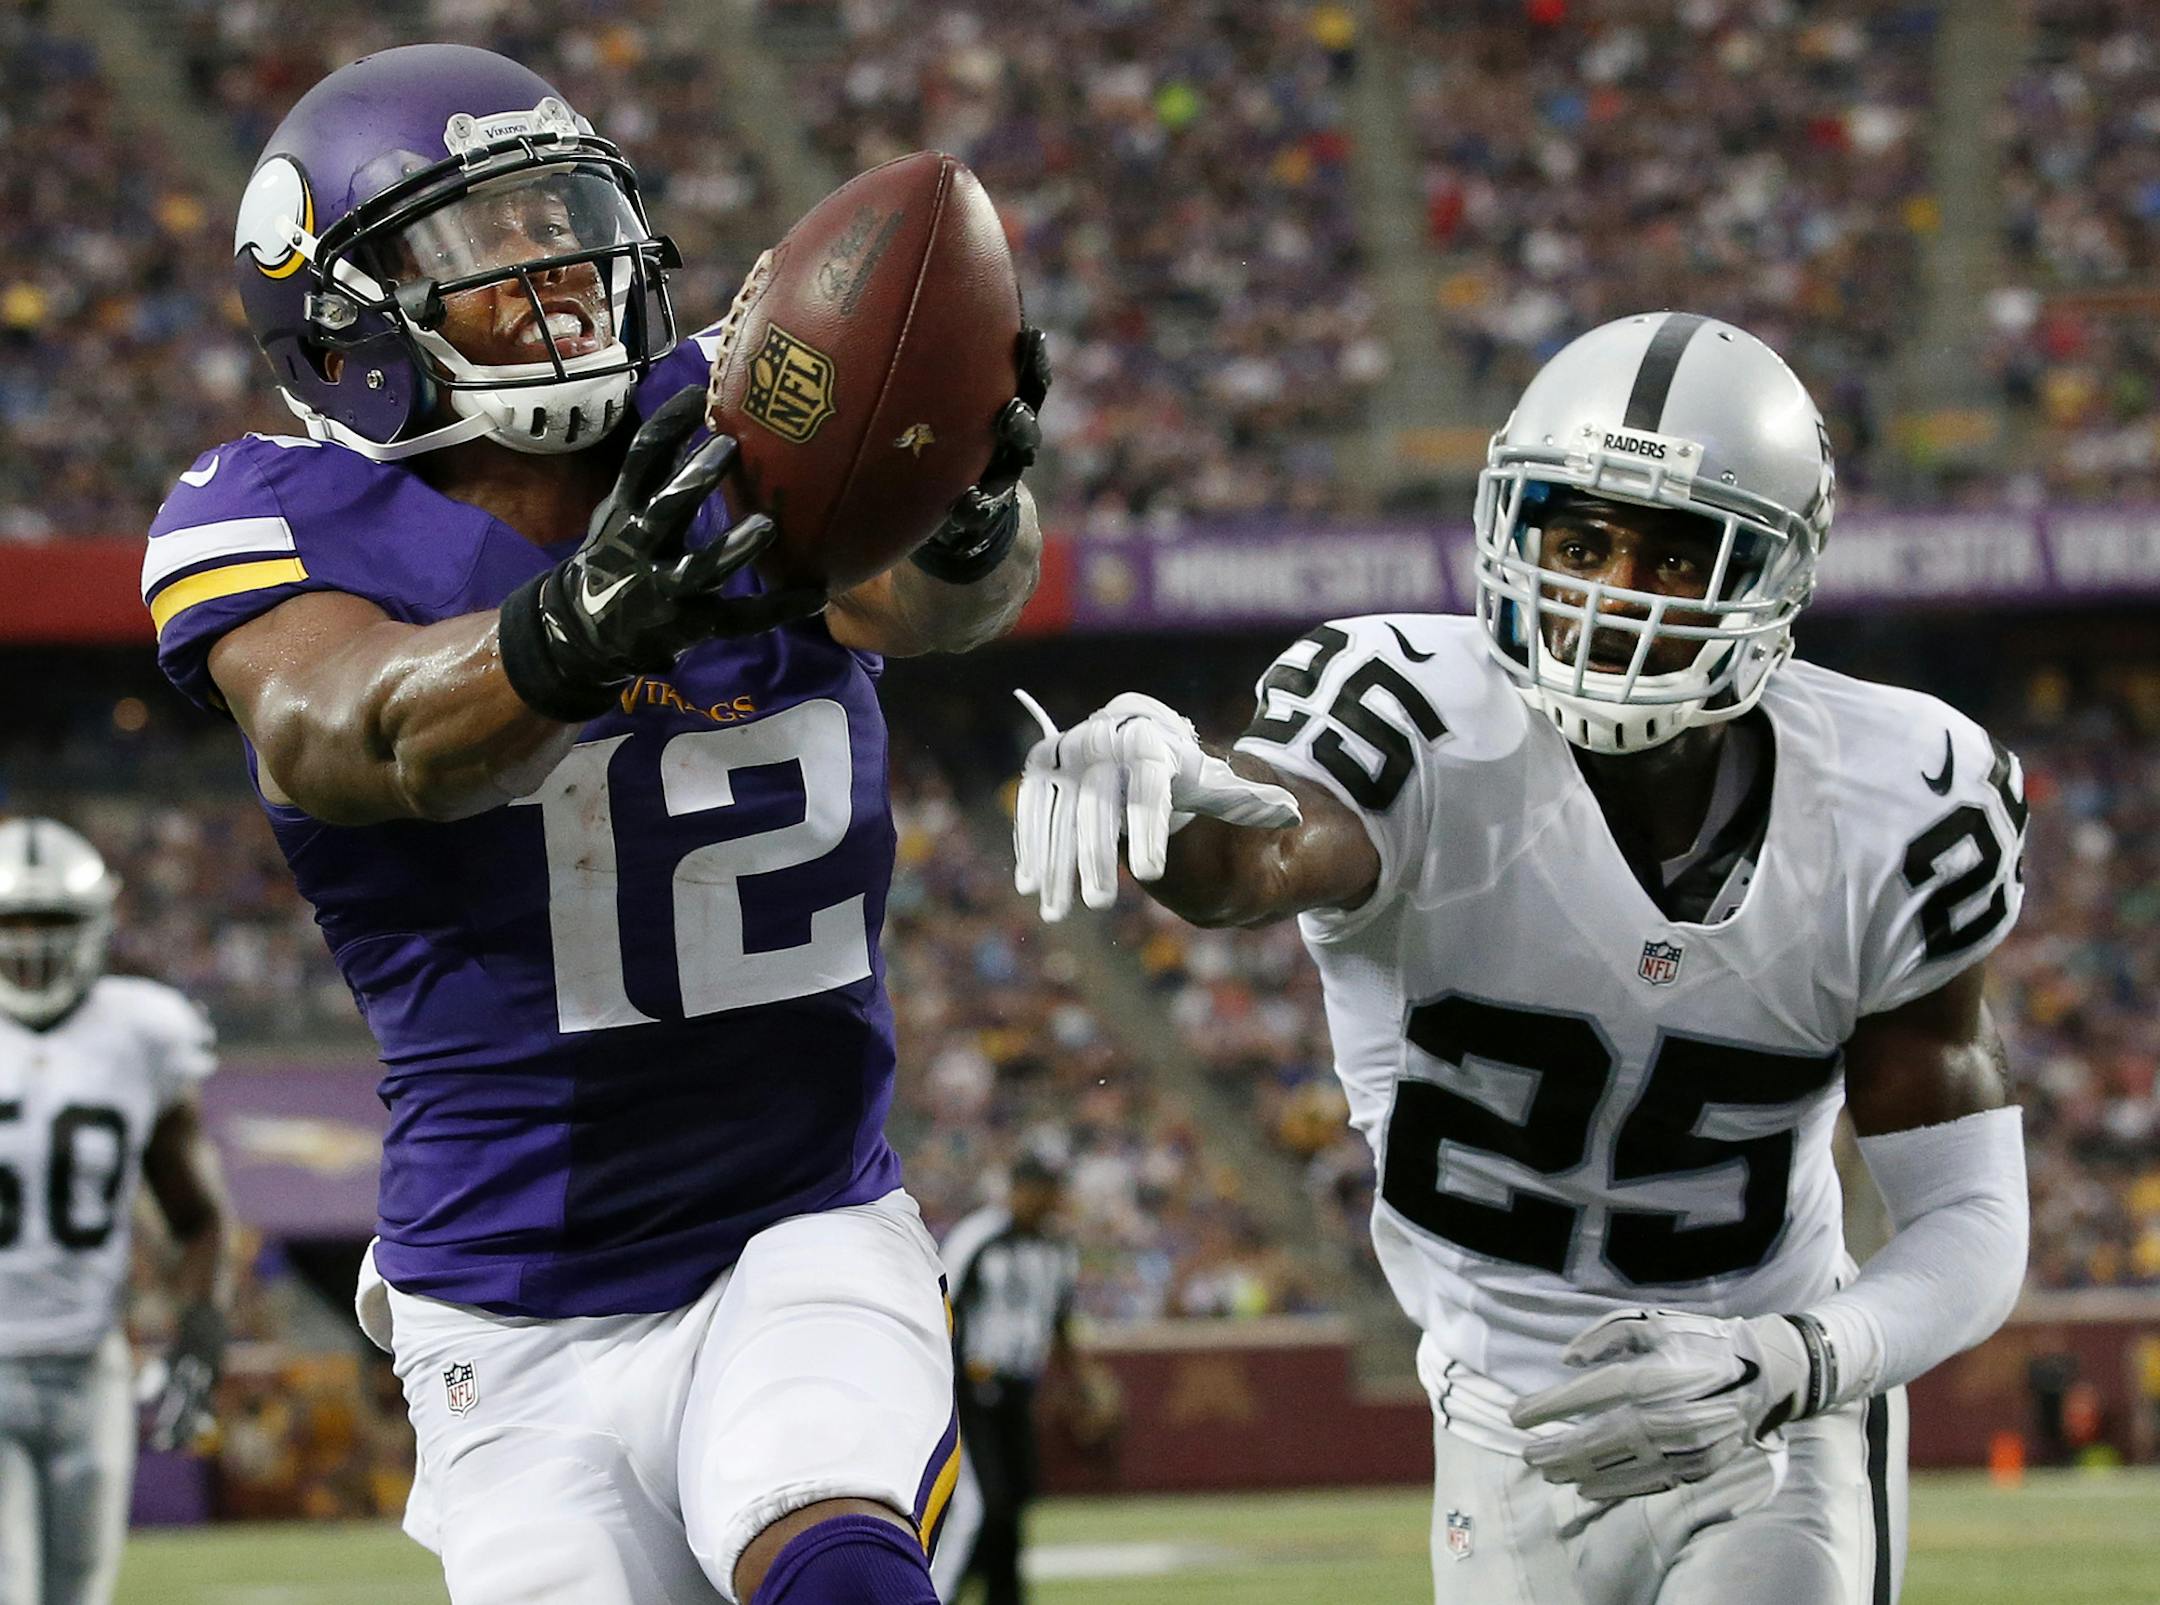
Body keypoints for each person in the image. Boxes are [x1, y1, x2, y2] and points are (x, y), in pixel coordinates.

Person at [143, 44, 1046, 1605]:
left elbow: (938, 604)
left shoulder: (736, 420)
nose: (556, 273)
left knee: (837, 1566)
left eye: (567, 217)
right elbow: (352, 732)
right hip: (504, 1303)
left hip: (797, 1222)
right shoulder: (270, 515)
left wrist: (952, 504)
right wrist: (574, 632)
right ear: (344, 321)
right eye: (484, 247)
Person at [1013, 311, 2031, 1604]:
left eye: (1673, 553)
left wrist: (1798, 1358)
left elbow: (1972, 1216)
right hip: (1500, 1435)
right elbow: (1255, 855)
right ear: (1513, 528)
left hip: (1761, 1420)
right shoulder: (1423, 723)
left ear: (1768, 572)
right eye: (1582, 537)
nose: (1611, 590)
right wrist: (1168, 783)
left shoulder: (1901, 798)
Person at [0, 819, 231, 1605]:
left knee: (79, 1595)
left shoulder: (139, 1029)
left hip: (92, 1363)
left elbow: (196, 1214)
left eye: (51, 923)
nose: (31, 946)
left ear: (95, 923)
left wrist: (200, 1324)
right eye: (13, 924)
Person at [929, 1155, 1114, 1605]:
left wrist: (1083, 1384)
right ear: (1016, 1188)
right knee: (976, 1506)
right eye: (1035, 1190)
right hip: (969, 1391)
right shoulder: (980, 1237)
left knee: (1014, 1502)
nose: (1043, 1201)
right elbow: (940, 1307)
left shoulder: (1057, 1248)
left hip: (1017, 1392)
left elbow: (1060, 1323)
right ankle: (929, 1595)